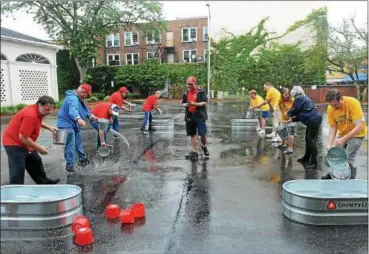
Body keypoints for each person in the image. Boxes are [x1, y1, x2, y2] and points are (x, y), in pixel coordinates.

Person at [2, 95, 60, 185]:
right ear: (40, 105)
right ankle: (15, 191)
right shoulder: (30, 115)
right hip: (13, 142)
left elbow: (37, 121)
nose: (49, 112)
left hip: (24, 140)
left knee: (35, 161)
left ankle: (44, 183)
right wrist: (39, 148)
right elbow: (23, 138)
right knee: (18, 168)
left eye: (51, 109)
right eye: (47, 109)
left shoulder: (37, 110)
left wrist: (49, 127)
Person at [321, 89, 367, 179]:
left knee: (349, 157)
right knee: (334, 154)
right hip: (343, 134)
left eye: (336, 104)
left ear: (341, 99)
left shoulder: (353, 103)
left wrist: (343, 139)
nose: (334, 107)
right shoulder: (331, 108)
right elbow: (333, 127)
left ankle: (351, 180)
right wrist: (329, 144)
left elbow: (359, 126)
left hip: (357, 134)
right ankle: (332, 174)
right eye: (331, 105)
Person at [57, 83, 97, 172]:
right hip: (65, 123)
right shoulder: (73, 98)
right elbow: (73, 110)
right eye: (86, 95)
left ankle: (82, 159)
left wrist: (91, 116)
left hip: (73, 123)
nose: (86, 97)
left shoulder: (79, 98)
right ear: (82, 92)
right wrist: (78, 118)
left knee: (78, 141)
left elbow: (84, 108)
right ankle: (69, 164)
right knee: (70, 142)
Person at [286, 86, 322, 169]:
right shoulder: (303, 98)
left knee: (311, 140)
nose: (293, 98)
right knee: (307, 139)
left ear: (295, 93)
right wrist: (292, 119)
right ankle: (306, 158)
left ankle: (314, 163)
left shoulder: (300, 98)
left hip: (314, 119)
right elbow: (302, 113)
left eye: (293, 95)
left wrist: (288, 114)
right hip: (313, 119)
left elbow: (295, 110)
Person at [182, 76, 210, 161]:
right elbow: (183, 103)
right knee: (192, 134)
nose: (189, 86)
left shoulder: (201, 91)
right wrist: (186, 105)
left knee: (202, 134)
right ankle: (194, 152)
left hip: (200, 116)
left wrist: (195, 104)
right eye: (188, 84)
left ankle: (204, 146)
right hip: (190, 115)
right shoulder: (186, 93)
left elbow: (205, 102)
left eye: (191, 84)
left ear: (195, 83)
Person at [277, 88, 295, 154]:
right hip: (284, 118)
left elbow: (295, 110)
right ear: (281, 94)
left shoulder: (293, 100)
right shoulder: (280, 100)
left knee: (290, 133)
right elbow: (280, 110)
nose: (285, 96)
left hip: (292, 119)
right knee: (282, 130)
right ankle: (283, 144)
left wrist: (288, 112)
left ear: (289, 94)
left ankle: (290, 148)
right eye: (284, 95)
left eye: (287, 95)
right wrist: (280, 119)